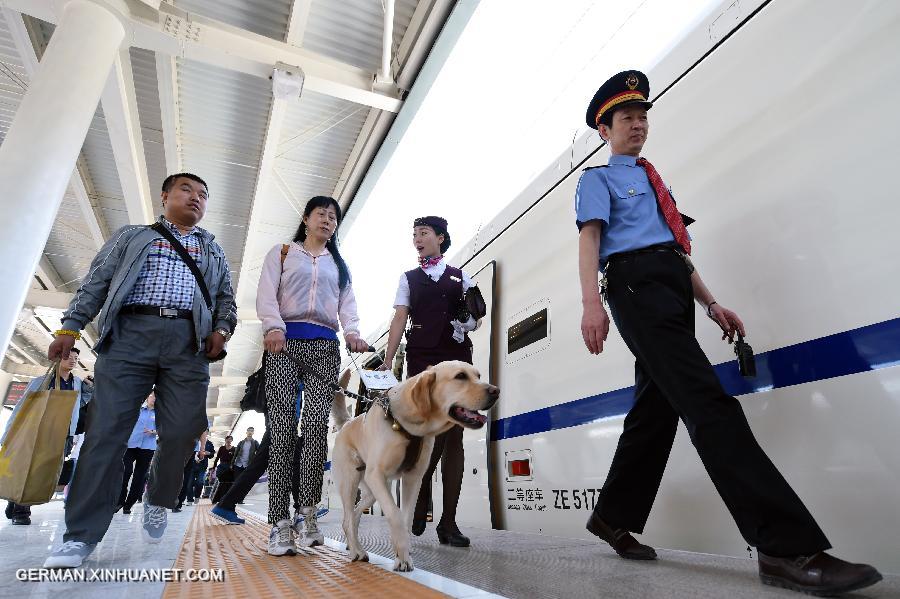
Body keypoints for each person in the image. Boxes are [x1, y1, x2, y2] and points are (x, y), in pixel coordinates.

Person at [575, 70, 882, 595]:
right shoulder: (598, 180)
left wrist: (713, 303)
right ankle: (785, 547)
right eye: (626, 118)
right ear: (604, 130)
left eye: (643, 116)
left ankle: (611, 515)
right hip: (634, 287)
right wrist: (590, 305)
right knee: (708, 402)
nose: (638, 125)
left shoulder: (655, 180)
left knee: (656, 409)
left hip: (670, 283)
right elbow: (591, 241)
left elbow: (675, 249)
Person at [42, 173, 237, 569]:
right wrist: (70, 326)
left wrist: (221, 329)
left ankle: (159, 498)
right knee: (106, 433)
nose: (195, 198)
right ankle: (79, 534)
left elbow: (225, 300)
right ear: (164, 196)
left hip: (189, 343)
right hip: (130, 335)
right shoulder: (133, 236)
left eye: (203, 194)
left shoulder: (212, 250)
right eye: (186, 190)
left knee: (183, 430)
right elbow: (97, 282)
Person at [256, 195, 366, 556]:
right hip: (283, 345)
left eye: (333, 217)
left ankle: (307, 512)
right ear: (306, 218)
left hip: (323, 348)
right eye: (321, 214)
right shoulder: (284, 252)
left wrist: (351, 332)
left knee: (317, 429)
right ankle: (279, 521)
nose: (327, 220)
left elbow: (347, 306)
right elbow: (267, 294)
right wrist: (273, 327)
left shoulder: (339, 264)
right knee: (283, 430)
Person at [381, 216, 479, 547]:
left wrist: (466, 322)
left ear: (440, 238)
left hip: (456, 361)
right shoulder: (408, 279)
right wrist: (386, 361)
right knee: (427, 436)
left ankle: (448, 522)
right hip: (423, 363)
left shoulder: (460, 276)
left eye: (423, 233)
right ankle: (422, 495)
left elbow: (475, 316)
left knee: (455, 438)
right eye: (414, 235)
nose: (417, 239)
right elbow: (398, 319)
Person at [2, 347, 91, 525]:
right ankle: (21, 511)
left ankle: (16, 501)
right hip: (37, 432)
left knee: (43, 471)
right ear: (58, 359)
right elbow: (21, 408)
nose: (73, 360)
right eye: (69, 357)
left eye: (75, 358)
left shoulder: (77, 383)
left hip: (62, 434)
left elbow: (79, 405)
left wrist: (90, 388)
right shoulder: (41, 382)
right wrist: (8, 434)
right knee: (28, 467)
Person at [117, 393, 157, 514]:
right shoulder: (137, 408)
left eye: (157, 397)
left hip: (147, 448)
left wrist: (154, 431)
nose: (154, 399)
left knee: (139, 477)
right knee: (125, 471)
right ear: (147, 397)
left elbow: (166, 427)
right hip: (130, 445)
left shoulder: (161, 413)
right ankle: (119, 500)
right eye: (153, 396)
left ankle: (129, 504)